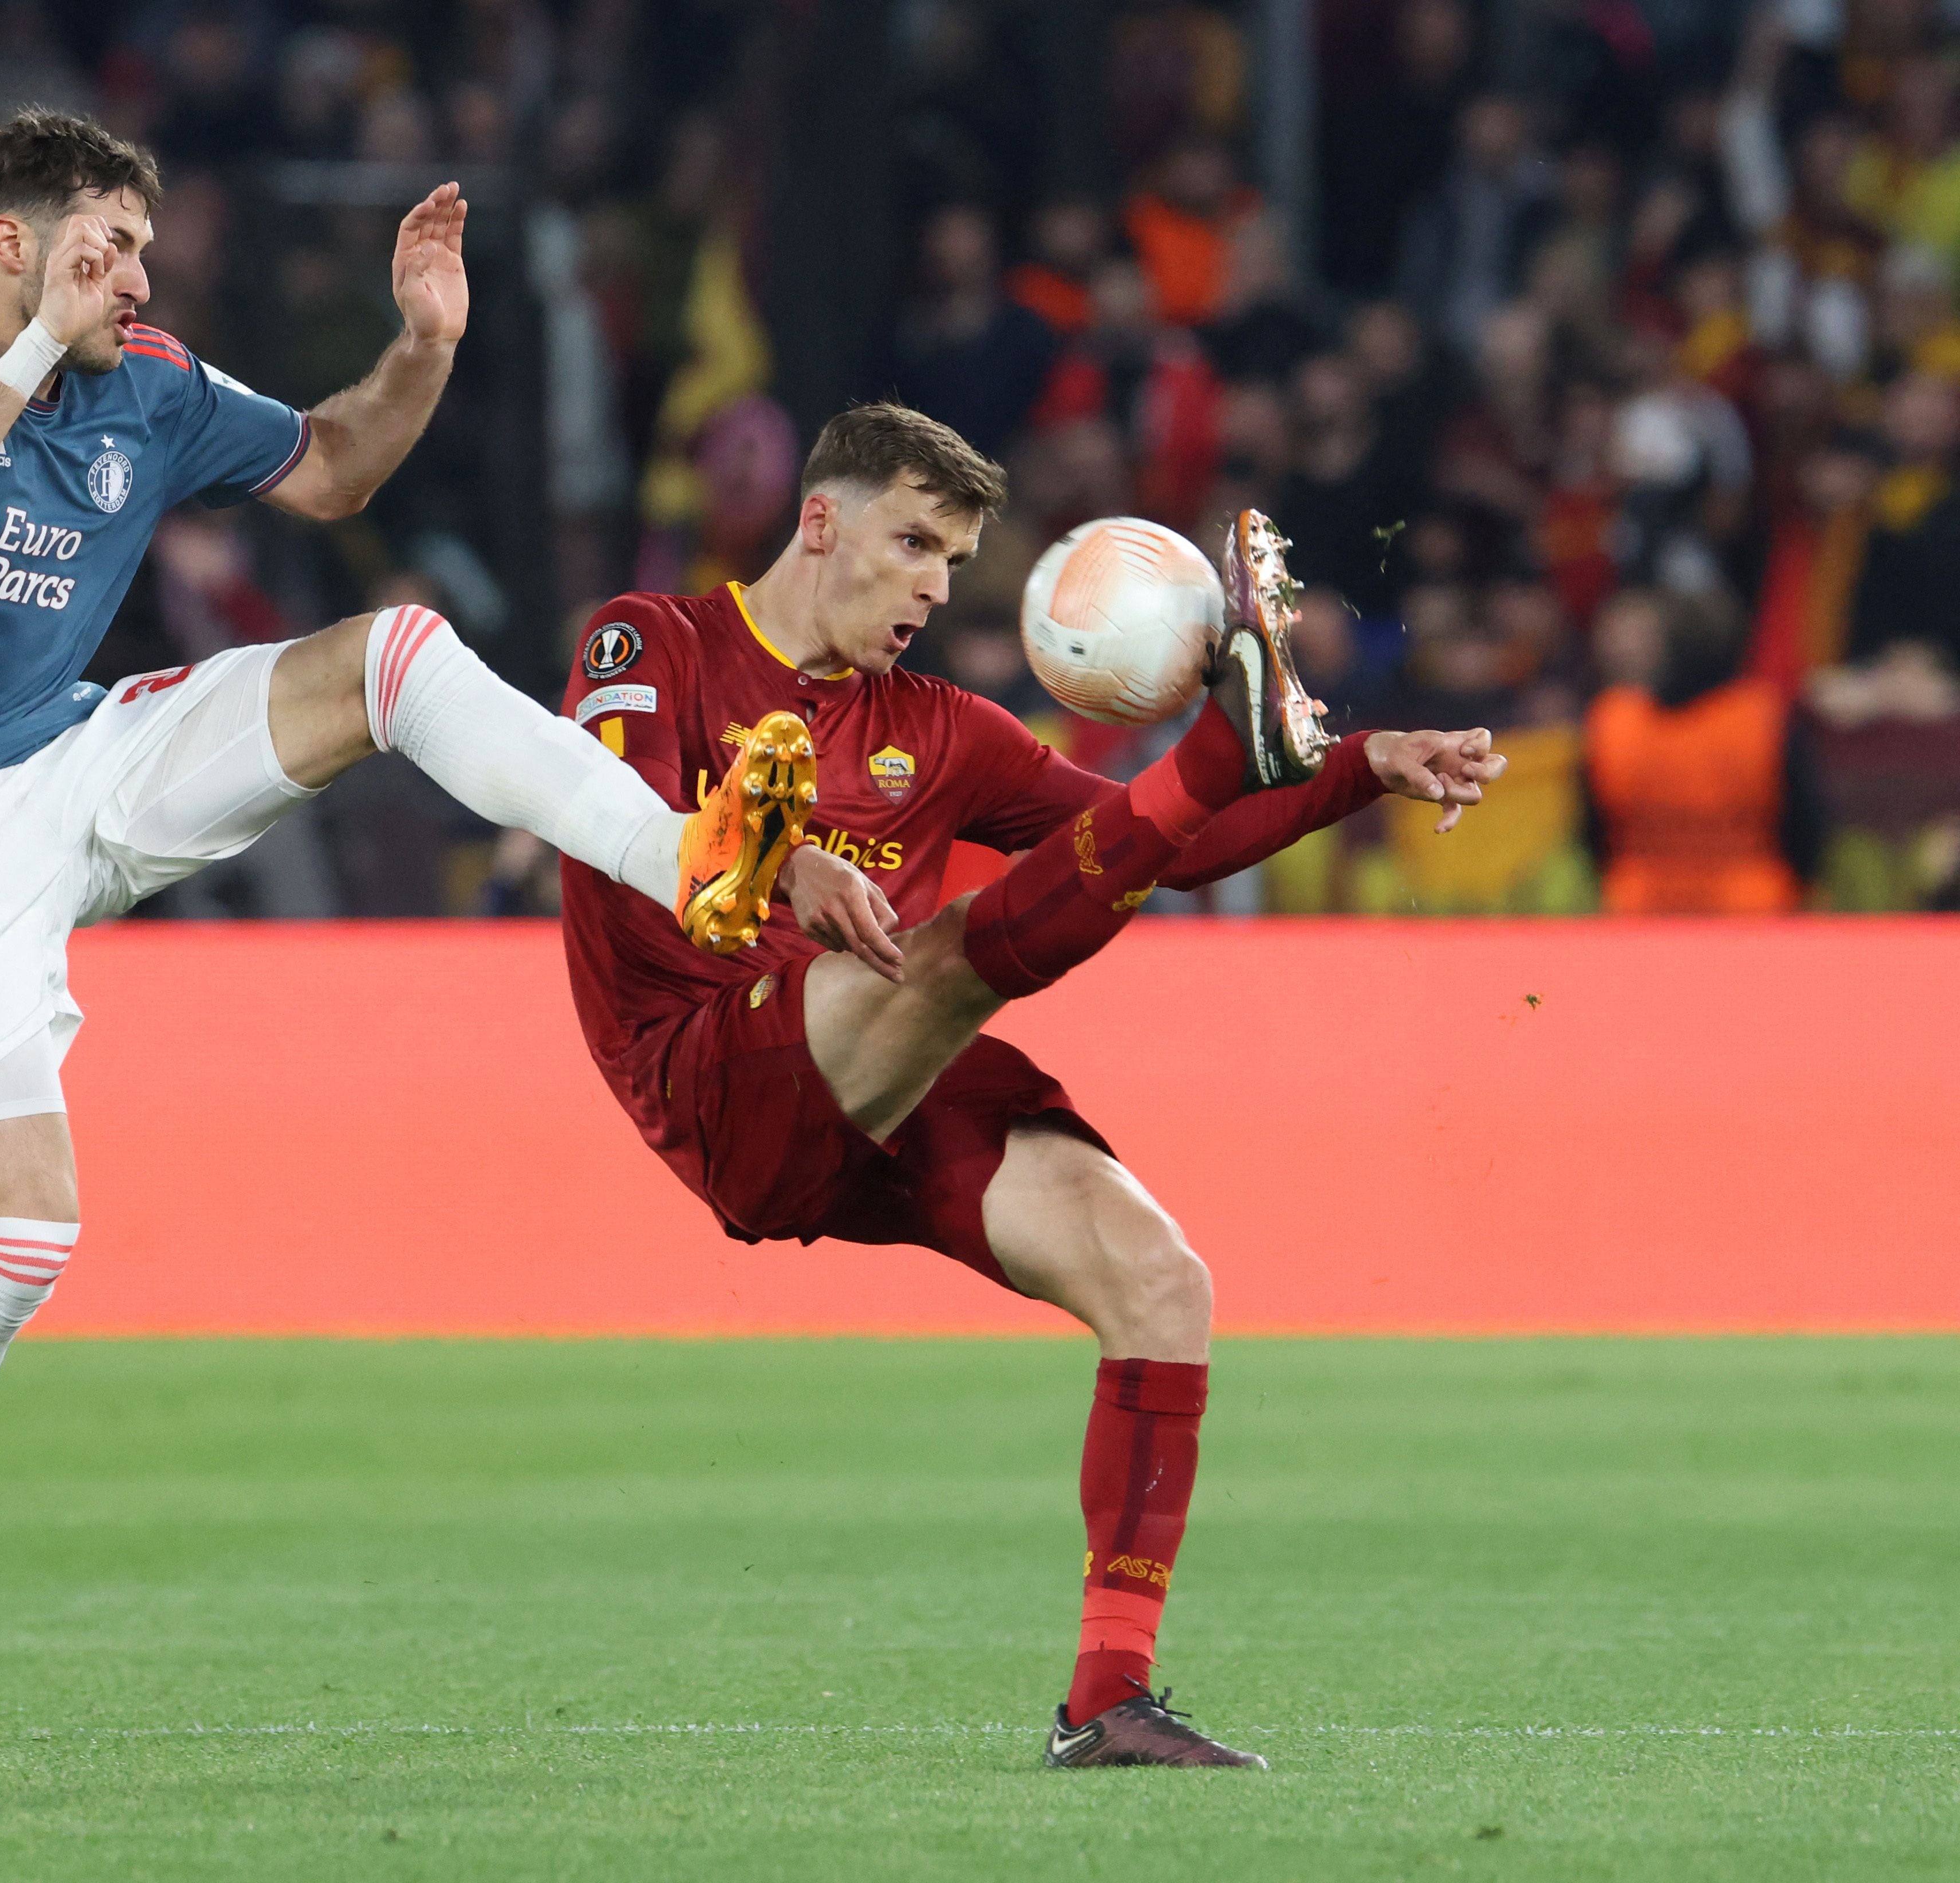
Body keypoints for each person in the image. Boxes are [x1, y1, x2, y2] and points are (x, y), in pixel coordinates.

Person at [0, 109, 843, 1752]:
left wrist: (420, 345)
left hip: (71, 755)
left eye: (143, 246)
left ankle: (696, 860)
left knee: (390, 656)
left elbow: (339, 461)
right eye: (106, 245)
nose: (139, 276)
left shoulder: (146, 380)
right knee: (22, 1241)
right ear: (13, 247)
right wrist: (27, 367)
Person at [556, 405, 1505, 1768]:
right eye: (914, 543)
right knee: (941, 961)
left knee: (1160, 1278)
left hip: (881, 1062)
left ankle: (1106, 1700)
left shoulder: (938, 729)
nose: (937, 588)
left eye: (955, 559)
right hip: (708, 1056)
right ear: (818, 522)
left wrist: (1362, 765)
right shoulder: (650, 638)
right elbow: (603, 806)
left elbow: (1165, 855)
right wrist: (772, 867)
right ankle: (1220, 740)